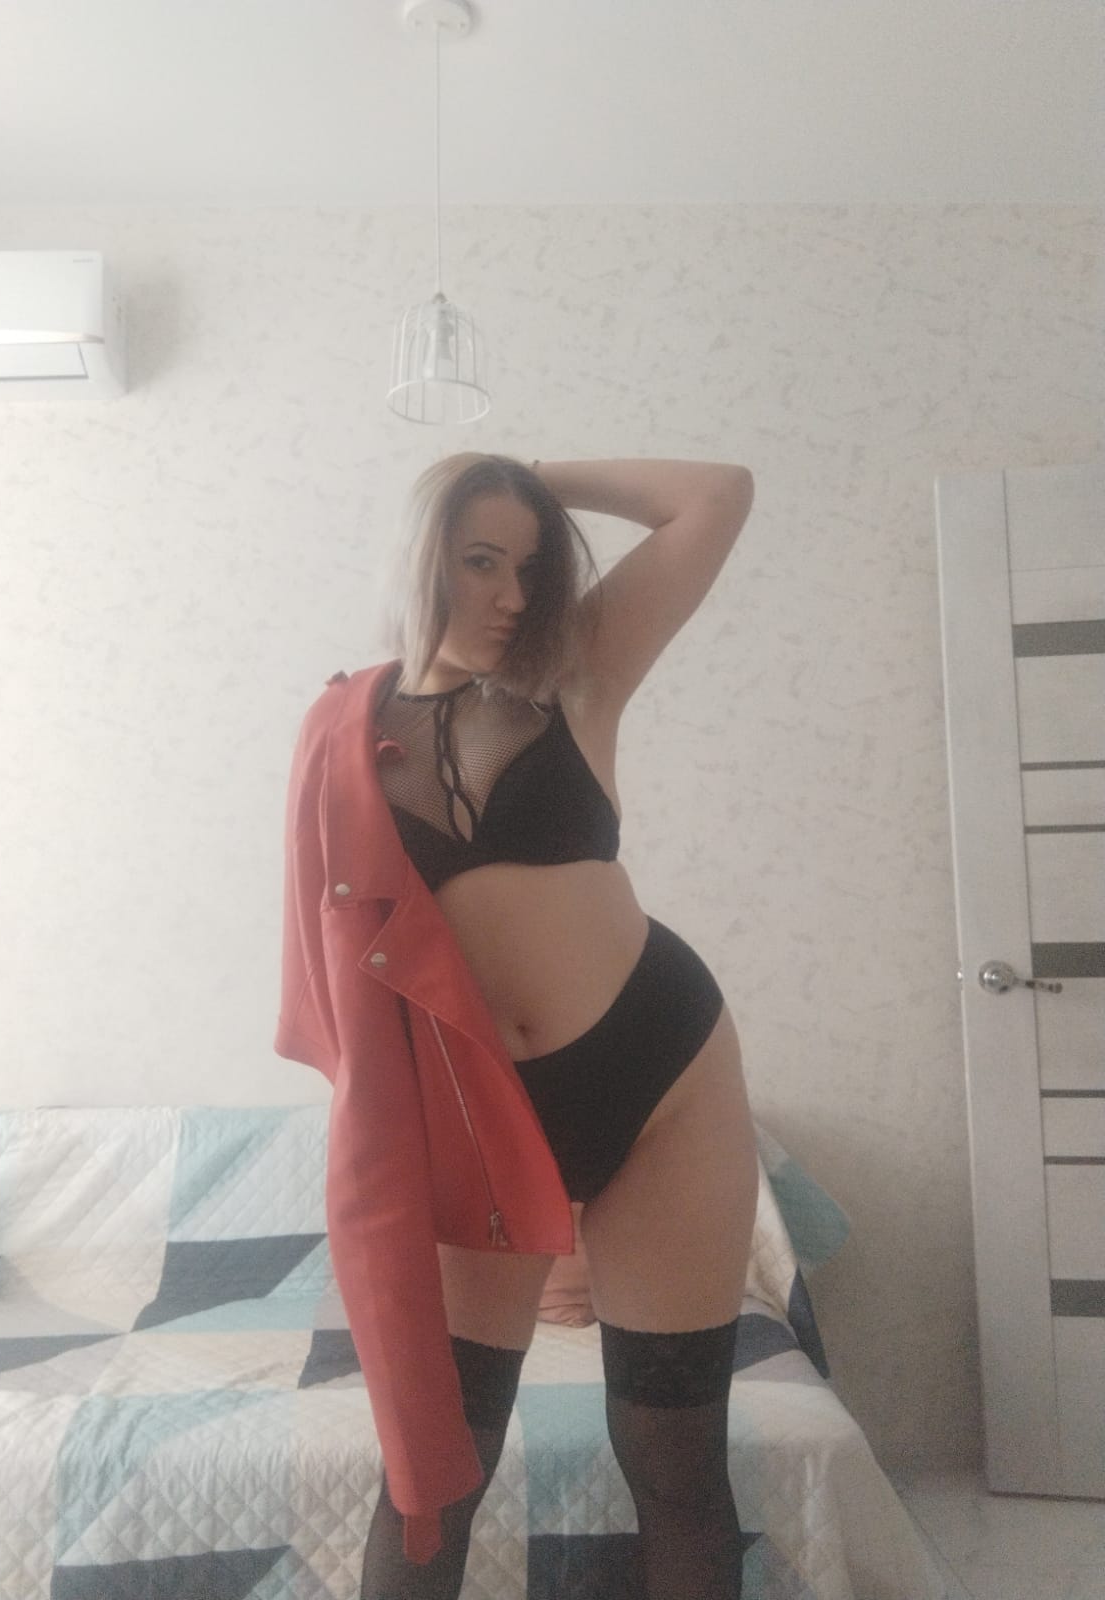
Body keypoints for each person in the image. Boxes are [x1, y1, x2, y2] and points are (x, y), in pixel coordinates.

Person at [274, 454, 759, 1599]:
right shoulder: (340, 732)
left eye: (531, 568)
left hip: (662, 1073)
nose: (510, 595)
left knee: (674, 1458)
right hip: (483, 1115)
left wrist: (529, 476)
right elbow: (337, 969)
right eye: (480, 560)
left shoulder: (578, 673)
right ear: (423, 556)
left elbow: (719, 494)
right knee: (439, 1477)